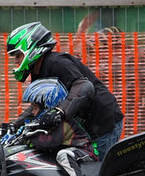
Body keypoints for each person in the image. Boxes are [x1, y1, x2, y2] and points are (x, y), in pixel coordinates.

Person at [6, 21, 124, 160]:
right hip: (86, 127)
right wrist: (14, 125)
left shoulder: (57, 63)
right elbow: (37, 106)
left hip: (103, 124)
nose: (16, 61)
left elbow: (84, 87)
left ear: (31, 49)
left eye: (18, 55)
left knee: (93, 171)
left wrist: (59, 111)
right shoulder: (39, 71)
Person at [19, 77, 98, 176]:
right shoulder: (47, 123)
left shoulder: (62, 122)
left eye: (35, 108)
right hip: (74, 152)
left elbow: (49, 142)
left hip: (85, 151)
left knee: (63, 155)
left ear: (47, 107)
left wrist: (29, 138)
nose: (32, 113)